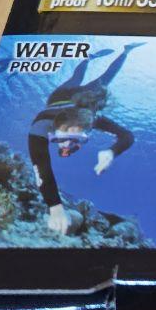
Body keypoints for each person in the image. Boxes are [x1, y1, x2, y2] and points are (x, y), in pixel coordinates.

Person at [28, 43, 143, 235]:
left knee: (106, 79)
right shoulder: (41, 124)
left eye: (77, 140)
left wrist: (111, 152)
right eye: (64, 139)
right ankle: (88, 59)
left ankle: (126, 50)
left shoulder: (91, 120)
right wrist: (55, 207)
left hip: (80, 100)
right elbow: (41, 167)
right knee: (77, 78)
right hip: (61, 95)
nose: (68, 144)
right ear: (54, 129)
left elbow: (127, 136)